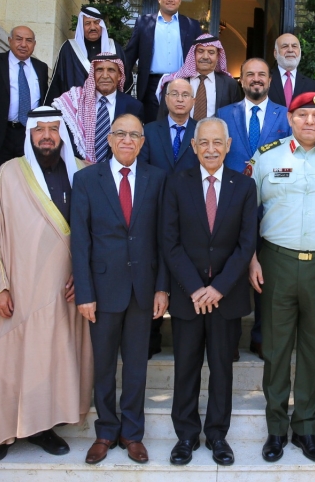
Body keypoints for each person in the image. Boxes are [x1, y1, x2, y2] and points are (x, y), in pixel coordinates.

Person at [0, 106, 92, 462]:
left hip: (63, 289)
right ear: (29, 134)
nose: (46, 136)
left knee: (50, 360)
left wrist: (84, 277)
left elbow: (95, 232)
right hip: (17, 287)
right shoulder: (10, 172)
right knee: (6, 357)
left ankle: (43, 428)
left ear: (63, 134)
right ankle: (1, 433)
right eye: (39, 129)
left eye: (53, 129)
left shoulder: (82, 172)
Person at [246, 92, 315, 464]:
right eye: (302, 115)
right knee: (276, 349)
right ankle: (276, 429)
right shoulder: (267, 157)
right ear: (290, 119)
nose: (309, 121)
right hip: (275, 261)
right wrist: (251, 258)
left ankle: (305, 427)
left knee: (314, 349)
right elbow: (246, 212)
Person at [72, 114, 169, 465]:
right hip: (101, 289)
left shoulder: (158, 179)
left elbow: (164, 238)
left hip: (143, 289)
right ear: (110, 140)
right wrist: (84, 293)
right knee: (103, 365)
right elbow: (80, 241)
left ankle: (132, 433)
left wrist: (162, 288)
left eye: (134, 135)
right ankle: (105, 431)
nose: (127, 140)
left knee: (136, 366)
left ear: (142, 143)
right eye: (121, 134)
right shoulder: (86, 179)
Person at [163, 117, 258, 467]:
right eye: (203, 142)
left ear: (228, 145)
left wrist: (218, 287)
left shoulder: (244, 186)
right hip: (188, 297)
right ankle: (186, 436)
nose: (211, 149)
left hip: (225, 297)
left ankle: (218, 435)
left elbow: (246, 244)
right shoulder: (176, 183)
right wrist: (196, 288)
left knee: (221, 370)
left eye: (217, 142)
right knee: (186, 368)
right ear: (193, 146)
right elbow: (170, 242)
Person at [217, 57, 291, 360]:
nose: (256, 79)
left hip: (273, 207)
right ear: (242, 80)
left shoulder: (285, 115)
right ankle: (230, 338)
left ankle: (261, 337)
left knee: (267, 276)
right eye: (250, 74)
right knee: (232, 270)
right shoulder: (223, 114)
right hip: (231, 206)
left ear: (270, 81)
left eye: (262, 74)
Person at [139, 77, 200, 357]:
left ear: (193, 101)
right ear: (165, 99)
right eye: (174, 94)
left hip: (192, 214)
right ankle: (150, 337)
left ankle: (188, 342)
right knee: (154, 275)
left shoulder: (202, 131)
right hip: (154, 211)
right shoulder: (149, 131)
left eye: (185, 95)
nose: (179, 99)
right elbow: (143, 171)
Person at [124, 0, 203, 122]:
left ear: (180, 0)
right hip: (151, 86)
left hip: (183, 83)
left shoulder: (192, 25)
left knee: (180, 124)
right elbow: (129, 57)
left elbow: (200, 56)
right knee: (153, 127)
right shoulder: (143, 22)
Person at [0, 26, 49, 165]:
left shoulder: (41, 68)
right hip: (0, 132)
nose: (23, 44)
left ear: (34, 44)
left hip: (30, 133)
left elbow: (44, 99)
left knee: (25, 173)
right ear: (10, 40)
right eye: (19, 39)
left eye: (29, 40)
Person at [53, 53, 144, 163]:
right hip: (80, 168)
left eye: (111, 70)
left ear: (120, 75)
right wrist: (80, 162)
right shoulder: (75, 102)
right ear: (92, 74)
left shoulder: (133, 106)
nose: (105, 76)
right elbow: (66, 138)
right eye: (99, 70)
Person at [45, 6, 128, 104]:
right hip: (75, 107)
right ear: (81, 26)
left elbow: (125, 80)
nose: (92, 27)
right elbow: (57, 82)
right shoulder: (69, 48)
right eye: (88, 23)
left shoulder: (114, 48)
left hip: (109, 106)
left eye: (96, 23)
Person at [156, 33, 241, 122]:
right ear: (193, 54)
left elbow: (236, 119)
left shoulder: (230, 85)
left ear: (218, 57)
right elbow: (162, 118)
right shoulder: (175, 82)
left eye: (211, 52)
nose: (205, 57)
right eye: (200, 51)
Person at [267, 33, 315, 107]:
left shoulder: (312, 86)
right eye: (285, 46)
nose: (290, 50)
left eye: (294, 46)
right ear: (275, 53)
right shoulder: (264, 80)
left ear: (300, 52)